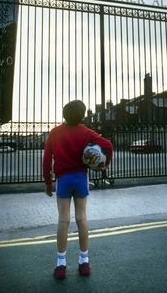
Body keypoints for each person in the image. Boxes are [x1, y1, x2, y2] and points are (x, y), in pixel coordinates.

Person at [43, 100, 113, 279]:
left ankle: (61, 265)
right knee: (81, 218)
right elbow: (108, 145)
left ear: (64, 114)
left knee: (63, 220)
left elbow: (46, 159)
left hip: (63, 180)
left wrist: (48, 182)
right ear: (82, 116)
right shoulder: (85, 132)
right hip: (80, 178)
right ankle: (84, 262)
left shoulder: (55, 132)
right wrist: (104, 164)